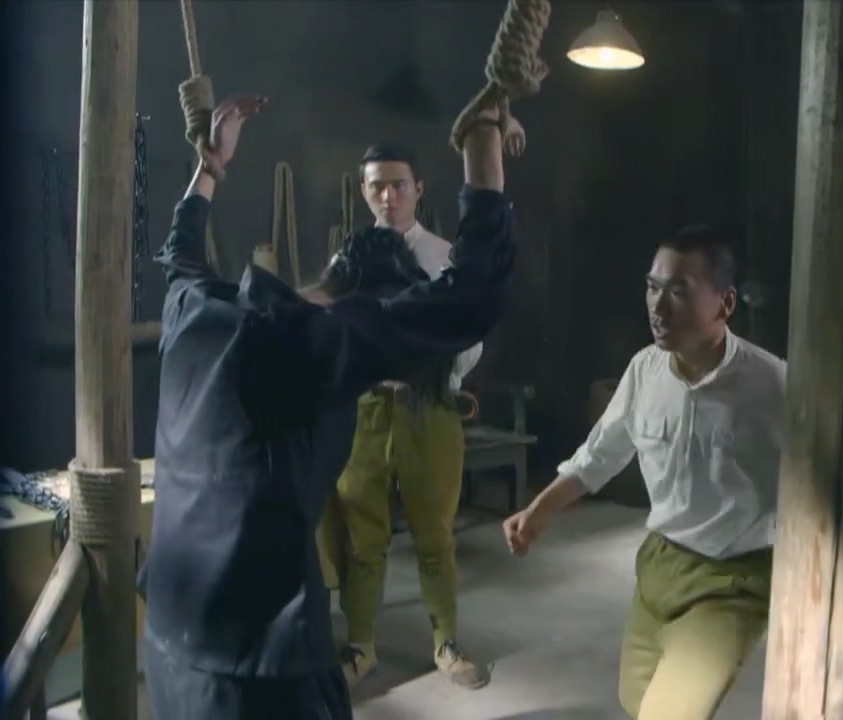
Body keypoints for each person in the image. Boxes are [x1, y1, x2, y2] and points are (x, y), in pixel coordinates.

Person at [141, 94, 517, 720]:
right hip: (254, 667)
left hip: (168, 633)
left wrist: (210, 167)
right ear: (366, 305)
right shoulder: (311, 348)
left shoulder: (195, 305)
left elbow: (179, 248)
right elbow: (476, 295)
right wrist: (484, 137)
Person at [502, 226, 785, 720]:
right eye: (653, 288)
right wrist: (538, 510)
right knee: (637, 703)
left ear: (725, 303)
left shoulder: (772, 384)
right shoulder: (645, 370)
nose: (658, 306)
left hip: (730, 582)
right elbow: (598, 455)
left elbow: (822, 483)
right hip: (659, 565)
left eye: (679, 292)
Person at [321, 144, 495, 689]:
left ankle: (447, 643)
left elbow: (470, 337)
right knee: (362, 534)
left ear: (418, 188)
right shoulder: (347, 263)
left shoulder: (445, 258)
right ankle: (361, 646)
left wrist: (437, 370)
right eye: (377, 186)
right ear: (363, 192)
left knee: (434, 531)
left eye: (399, 184)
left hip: (429, 406)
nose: (388, 196)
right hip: (365, 408)